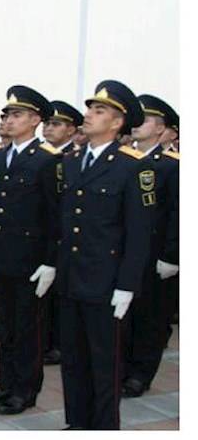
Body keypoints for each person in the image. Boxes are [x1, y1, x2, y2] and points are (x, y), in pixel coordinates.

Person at [57, 81, 153, 430]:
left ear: (116, 123)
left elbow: (139, 234)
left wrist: (127, 285)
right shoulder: (72, 161)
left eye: (98, 111)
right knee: (73, 358)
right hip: (72, 277)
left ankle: (103, 426)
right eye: (89, 109)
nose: (88, 115)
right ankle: (77, 422)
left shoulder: (133, 166)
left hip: (106, 281)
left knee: (104, 361)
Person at [0, 86, 61, 416]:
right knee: (7, 325)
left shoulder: (47, 160)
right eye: (7, 114)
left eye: (18, 115)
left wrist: (51, 262)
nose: (9, 120)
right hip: (1, 256)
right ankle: (5, 383)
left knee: (29, 328)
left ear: (36, 120)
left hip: (31, 260)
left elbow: (57, 217)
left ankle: (25, 390)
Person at [123, 94, 180, 398]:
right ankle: (123, 368)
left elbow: (178, 214)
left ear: (161, 130)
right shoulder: (125, 160)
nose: (137, 125)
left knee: (152, 317)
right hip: (129, 254)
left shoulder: (172, 166)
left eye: (145, 120)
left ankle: (140, 373)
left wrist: (172, 256)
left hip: (157, 255)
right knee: (127, 314)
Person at [40, 100, 84, 365]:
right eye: (48, 123)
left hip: (65, 240)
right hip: (42, 237)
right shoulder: (48, 156)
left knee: (58, 298)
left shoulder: (70, 158)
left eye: (56, 124)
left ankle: (57, 342)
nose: (49, 128)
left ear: (71, 130)